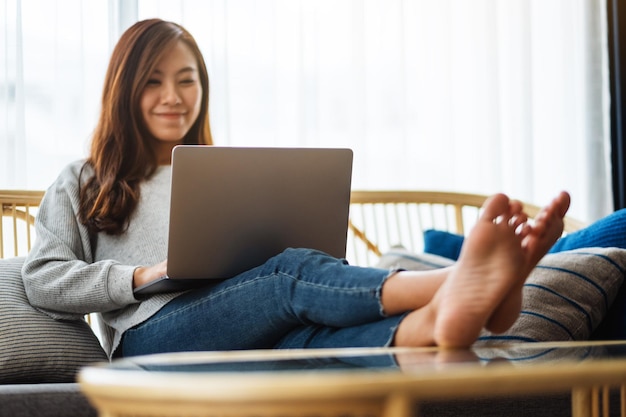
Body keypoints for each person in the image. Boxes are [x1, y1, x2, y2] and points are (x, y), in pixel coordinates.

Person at [21, 18, 571, 360]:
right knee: (287, 272)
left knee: (306, 339)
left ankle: (435, 322)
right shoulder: (84, 179)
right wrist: (145, 276)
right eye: (154, 81)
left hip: (252, 316)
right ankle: (461, 282)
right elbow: (43, 278)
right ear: (125, 89)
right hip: (152, 336)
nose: (173, 95)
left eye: (187, 79)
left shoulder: (227, 172)